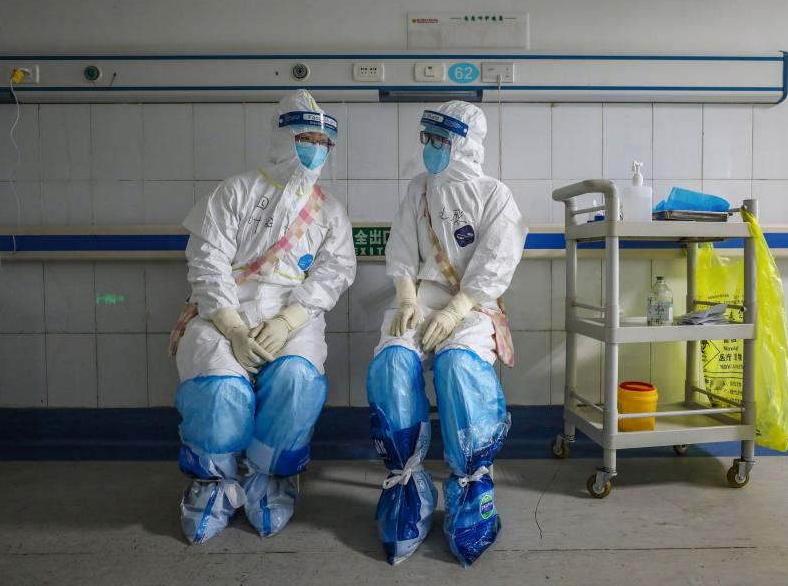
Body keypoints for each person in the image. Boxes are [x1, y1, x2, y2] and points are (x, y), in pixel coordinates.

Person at [168, 89, 356, 544]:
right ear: (282, 137)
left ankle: (272, 477)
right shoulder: (234, 192)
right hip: (223, 309)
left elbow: (336, 271)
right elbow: (207, 261)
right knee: (219, 387)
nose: (314, 149)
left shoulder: (329, 210)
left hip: (293, 314)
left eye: (323, 142)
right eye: (305, 137)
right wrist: (230, 324)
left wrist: (291, 320)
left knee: (296, 379)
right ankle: (214, 482)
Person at [366, 101, 527, 566]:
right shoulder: (418, 189)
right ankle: (406, 488)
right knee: (393, 361)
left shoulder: (495, 195)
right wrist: (407, 297)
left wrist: (456, 309)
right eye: (428, 139)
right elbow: (400, 247)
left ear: (464, 143)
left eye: (442, 140)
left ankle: (471, 490)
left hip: (472, 305)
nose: (432, 149)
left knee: (459, 367)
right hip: (421, 297)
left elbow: (496, 262)